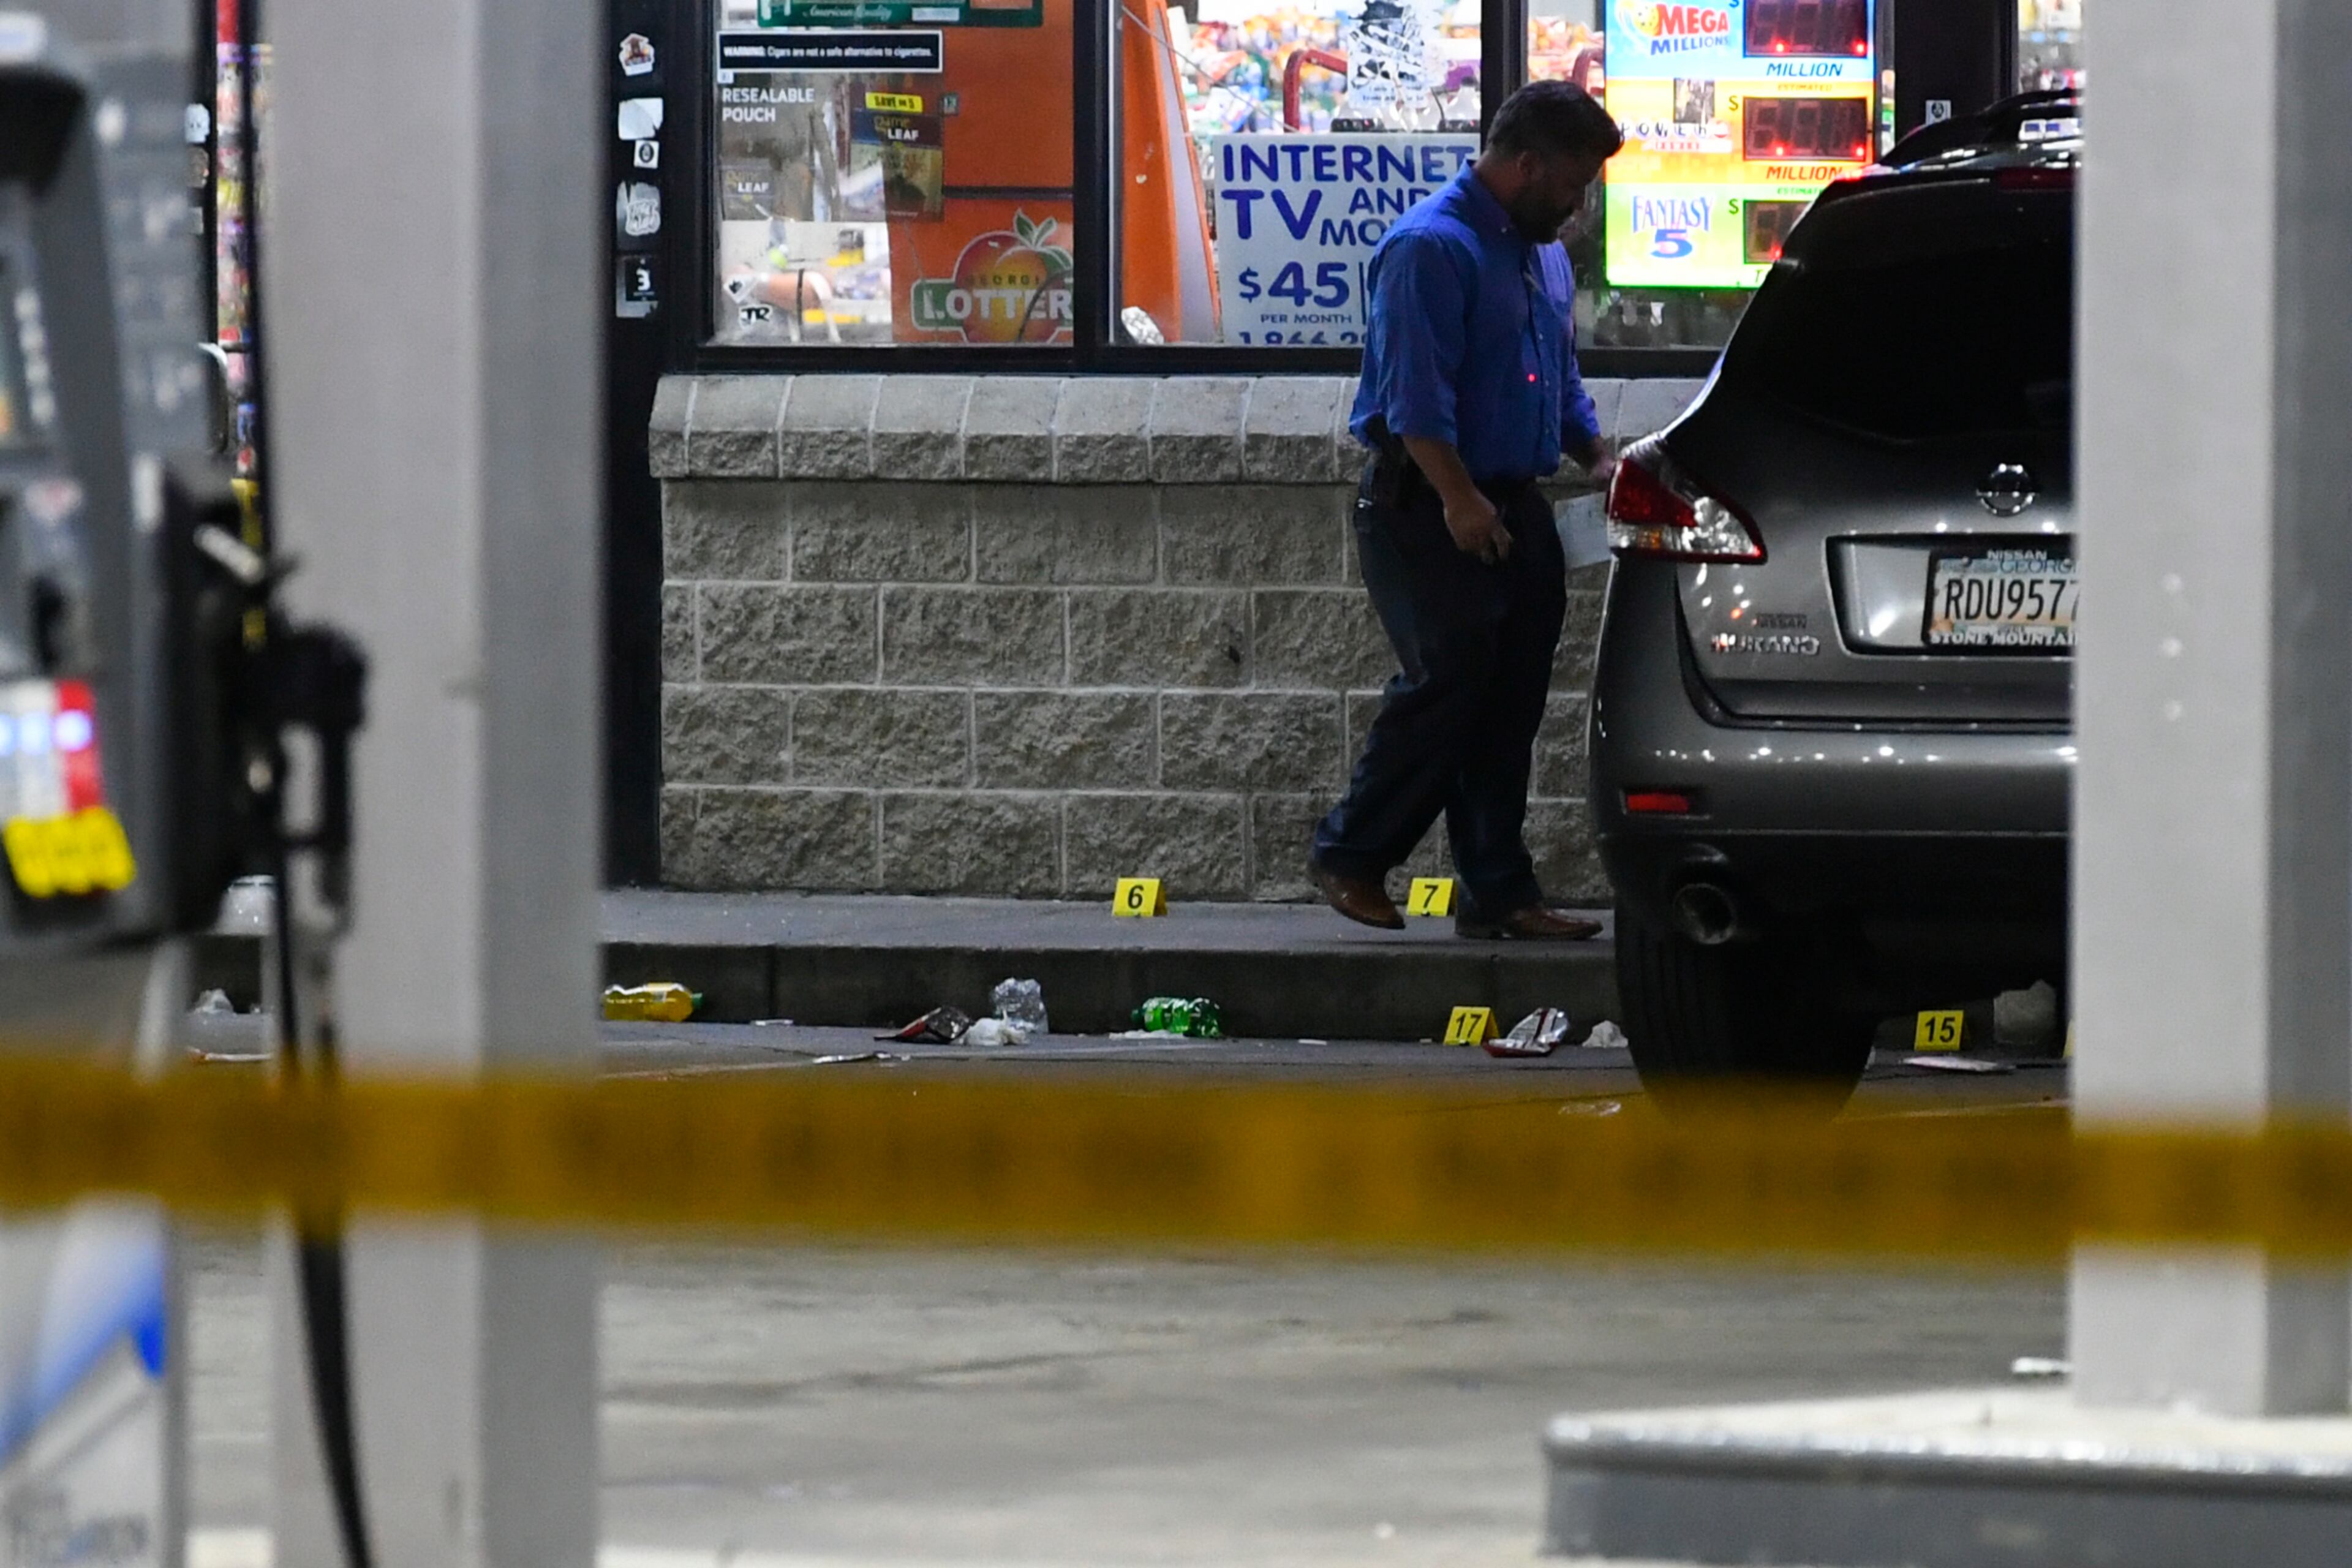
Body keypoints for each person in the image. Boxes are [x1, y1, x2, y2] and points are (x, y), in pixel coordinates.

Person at [1307, 80, 1623, 939]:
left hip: (1514, 503)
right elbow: (1414, 402)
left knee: (1510, 696)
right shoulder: (1430, 249)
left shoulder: (1539, 255)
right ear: (1526, 166)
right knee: (1449, 678)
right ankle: (1352, 854)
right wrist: (1459, 500)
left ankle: (1499, 892)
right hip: (1427, 502)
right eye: (1573, 183)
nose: (1578, 203)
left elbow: (1557, 382)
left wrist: (1595, 457)